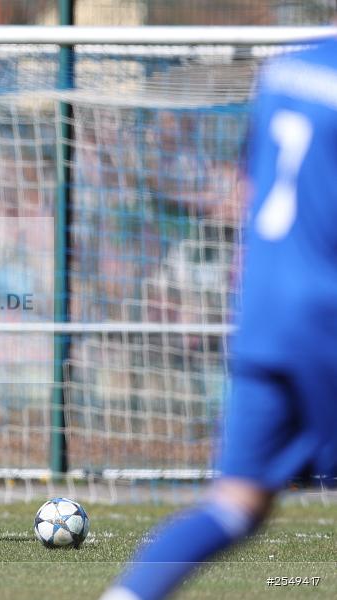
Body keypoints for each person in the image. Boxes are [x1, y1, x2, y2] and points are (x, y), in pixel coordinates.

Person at [100, 36, 337, 600]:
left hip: (263, 311)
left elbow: (248, 181)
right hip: (325, 312)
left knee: (236, 503)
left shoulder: (285, 69)